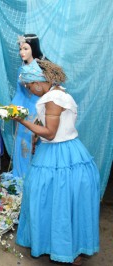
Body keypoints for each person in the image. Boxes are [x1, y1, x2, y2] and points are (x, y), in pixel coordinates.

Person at [15, 59, 100, 265]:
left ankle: (61, 248)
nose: (29, 90)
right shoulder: (61, 92)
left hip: (58, 152)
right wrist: (35, 135)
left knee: (54, 199)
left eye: (28, 86)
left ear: (38, 82)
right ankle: (71, 247)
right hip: (72, 151)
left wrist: (20, 119)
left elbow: (50, 133)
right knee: (67, 201)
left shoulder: (52, 98)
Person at [11, 34, 47, 178]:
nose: (22, 52)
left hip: (40, 109)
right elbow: (19, 92)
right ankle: (21, 178)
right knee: (22, 143)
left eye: (26, 48)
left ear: (34, 48)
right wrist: (13, 109)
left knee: (39, 143)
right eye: (20, 49)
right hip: (25, 110)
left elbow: (51, 91)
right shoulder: (21, 69)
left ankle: (37, 179)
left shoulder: (44, 67)